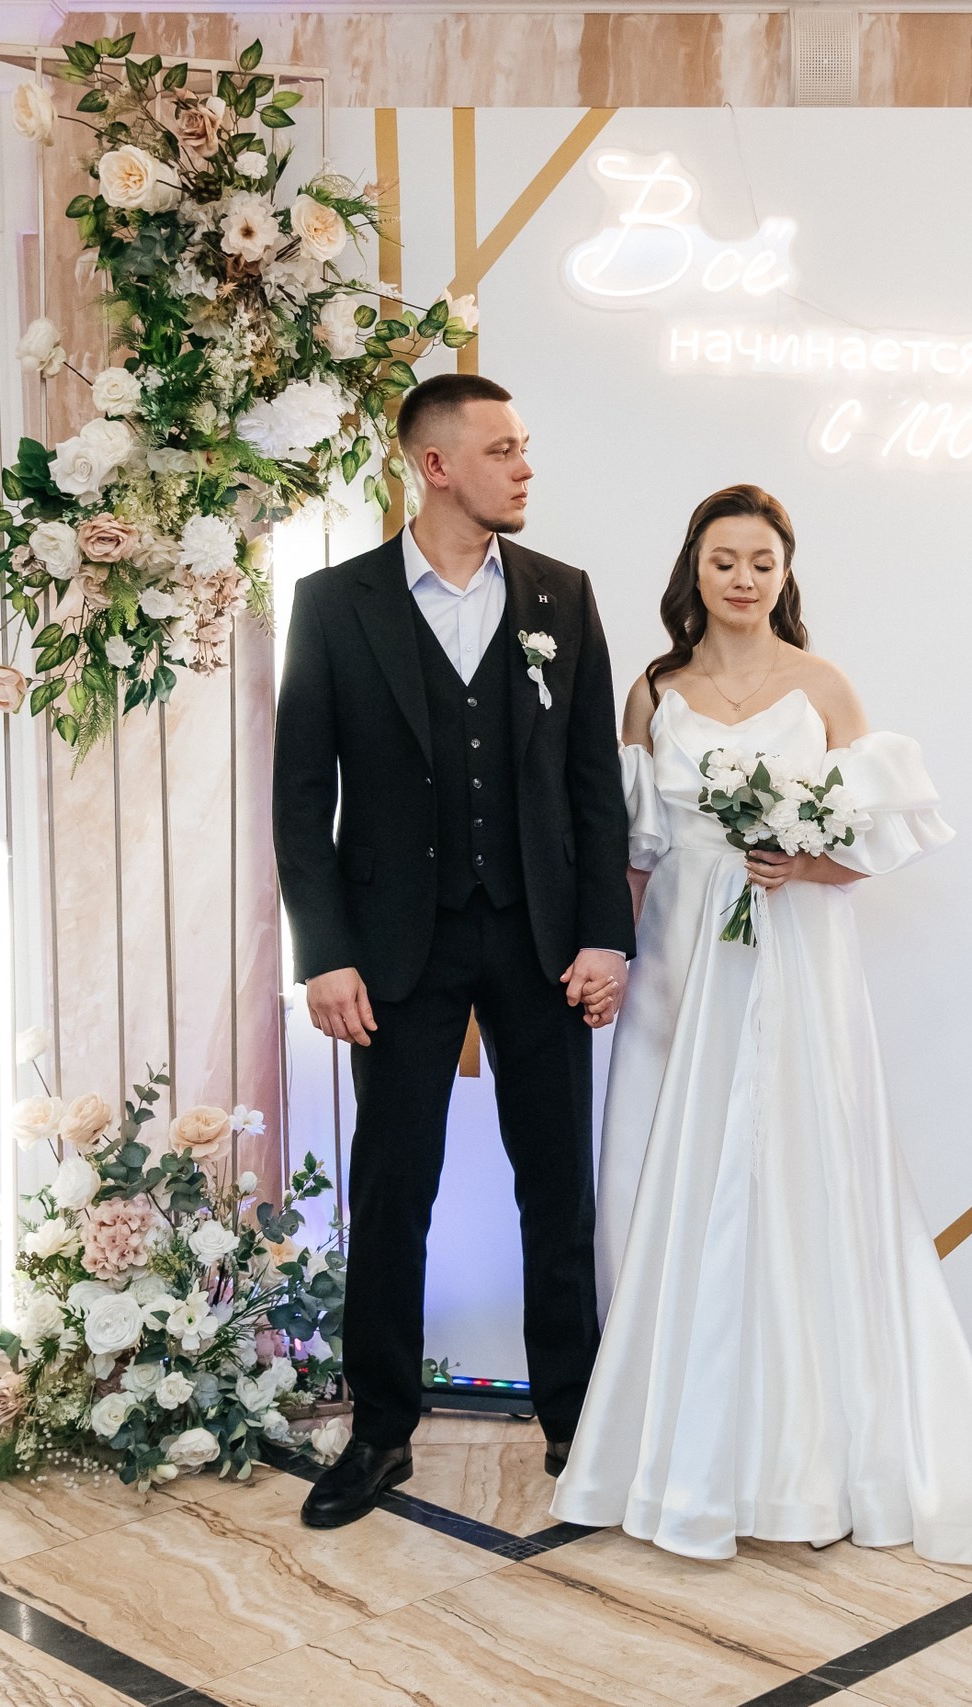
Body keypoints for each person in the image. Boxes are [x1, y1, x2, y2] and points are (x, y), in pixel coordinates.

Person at [549, 484, 972, 1564]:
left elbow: (877, 838)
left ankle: (807, 1447)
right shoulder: (653, 692)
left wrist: (803, 862)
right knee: (665, 1172)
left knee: (796, 1168)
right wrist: (616, 956)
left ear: (784, 573)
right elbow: (634, 850)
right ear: (693, 572)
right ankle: (668, 1437)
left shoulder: (822, 685)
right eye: (723, 560)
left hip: (795, 954)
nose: (743, 578)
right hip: (681, 961)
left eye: (762, 561)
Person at [271, 373, 635, 1530]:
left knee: (557, 1192)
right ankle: (380, 1432)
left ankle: (574, 1419)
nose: (524, 468)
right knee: (393, 1192)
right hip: (393, 951)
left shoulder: (562, 595)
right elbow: (300, 798)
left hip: (539, 941)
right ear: (434, 466)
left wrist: (604, 934)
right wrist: (324, 954)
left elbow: (593, 787)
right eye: (501, 449)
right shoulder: (333, 604)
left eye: (524, 446)